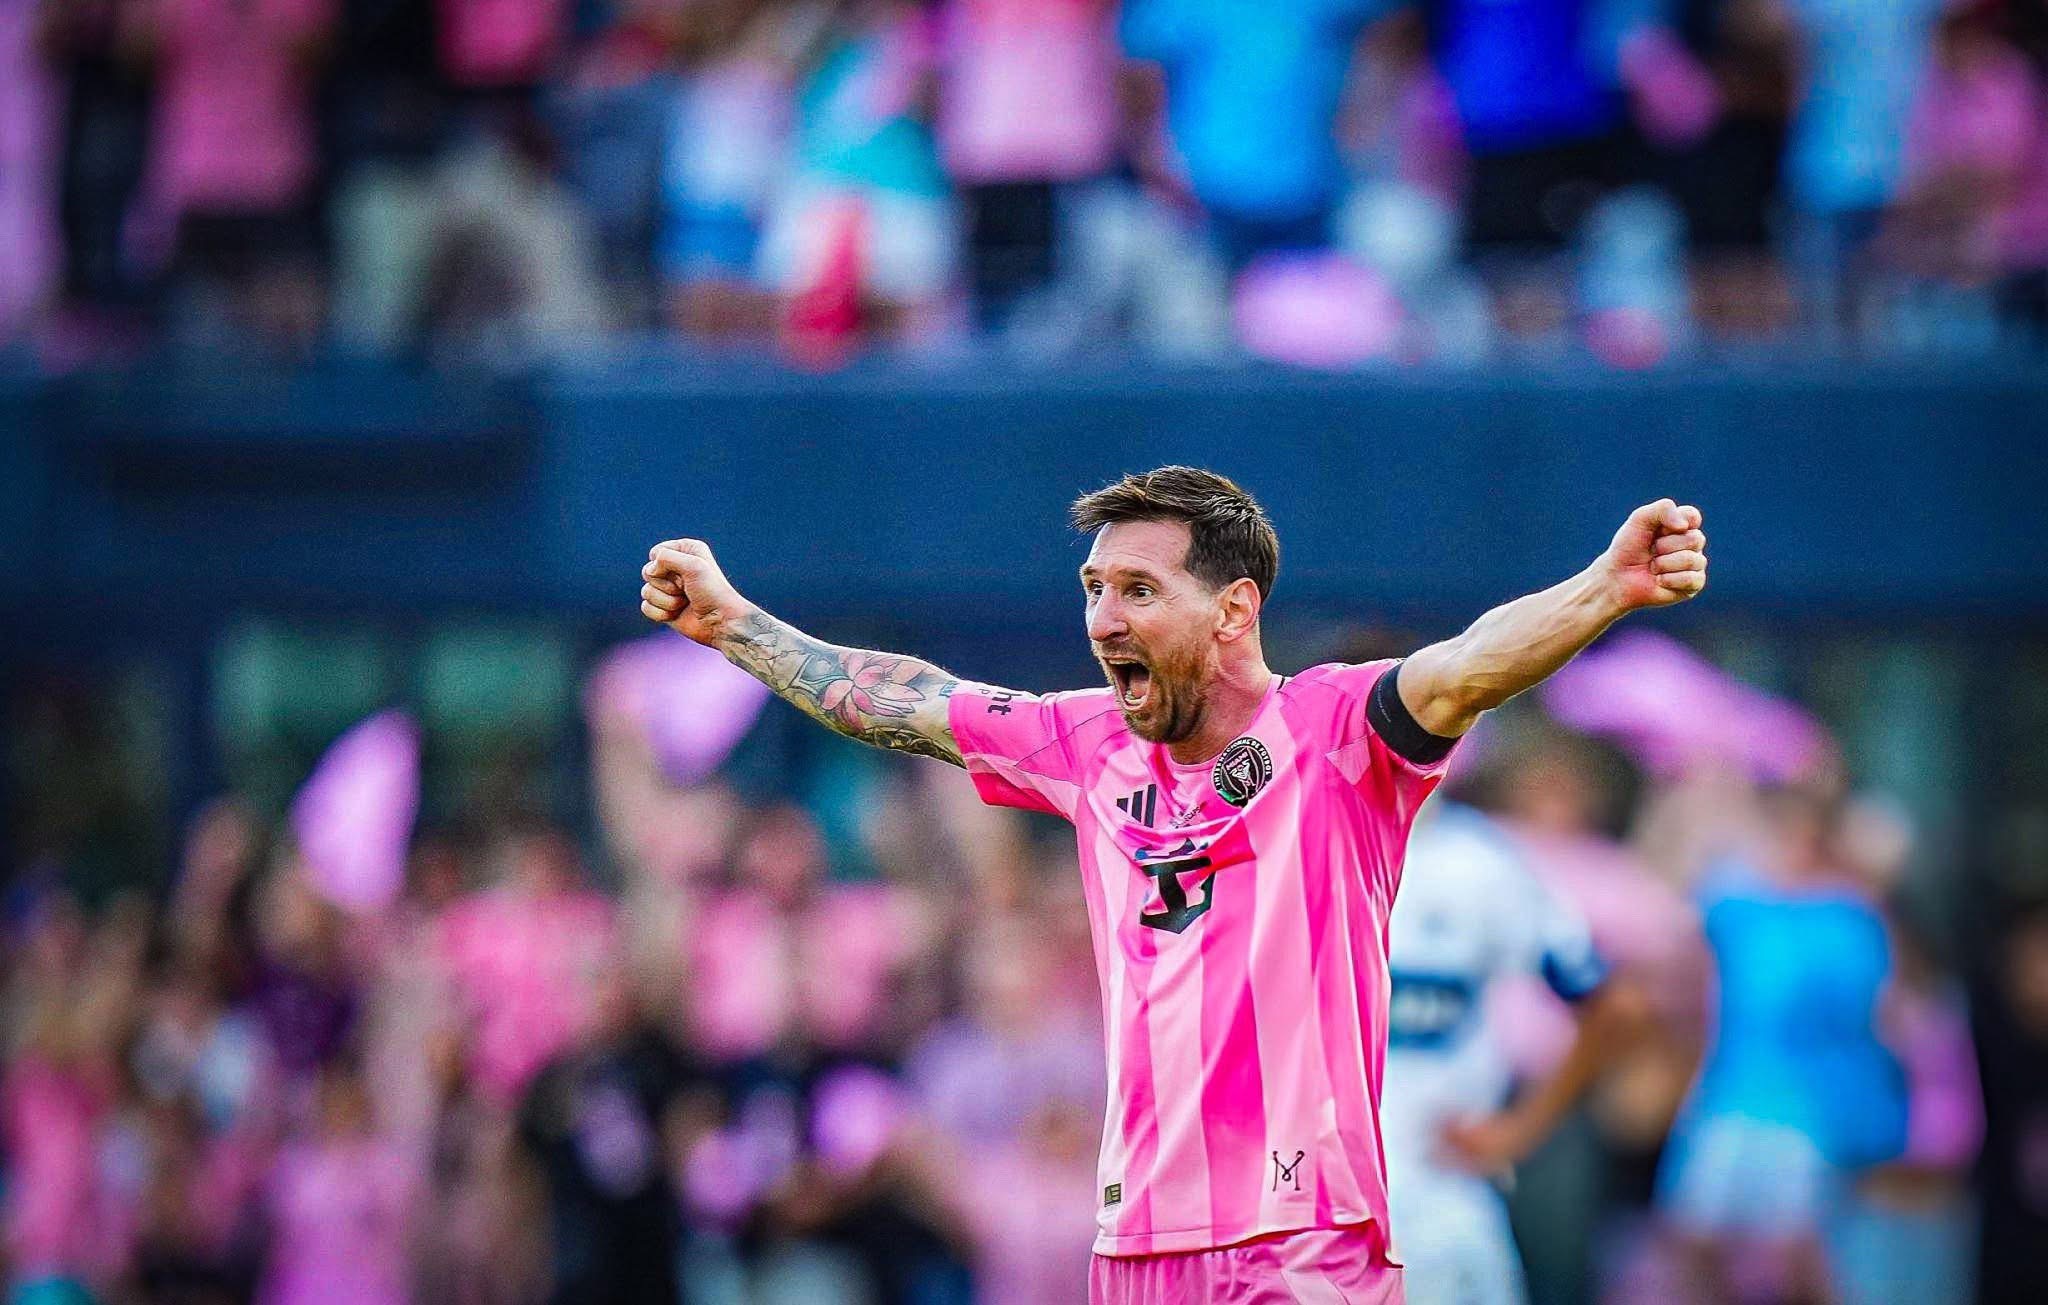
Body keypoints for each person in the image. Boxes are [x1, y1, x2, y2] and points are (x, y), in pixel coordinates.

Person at [638, 465, 1710, 1302]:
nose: (1103, 618)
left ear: (1233, 610)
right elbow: (903, 698)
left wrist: (1604, 587)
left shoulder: (1334, 731)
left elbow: (1469, 664)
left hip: (1302, 1239)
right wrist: (733, 624)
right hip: (1138, 1246)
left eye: (1138, 590)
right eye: (1094, 590)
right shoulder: (1083, 743)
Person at [1381, 800, 1638, 1305]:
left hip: (1436, 1206)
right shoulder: (1294, 841)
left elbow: (1613, 1008)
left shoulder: (1482, 864)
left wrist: (1519, 1130)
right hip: (1305, 1204)